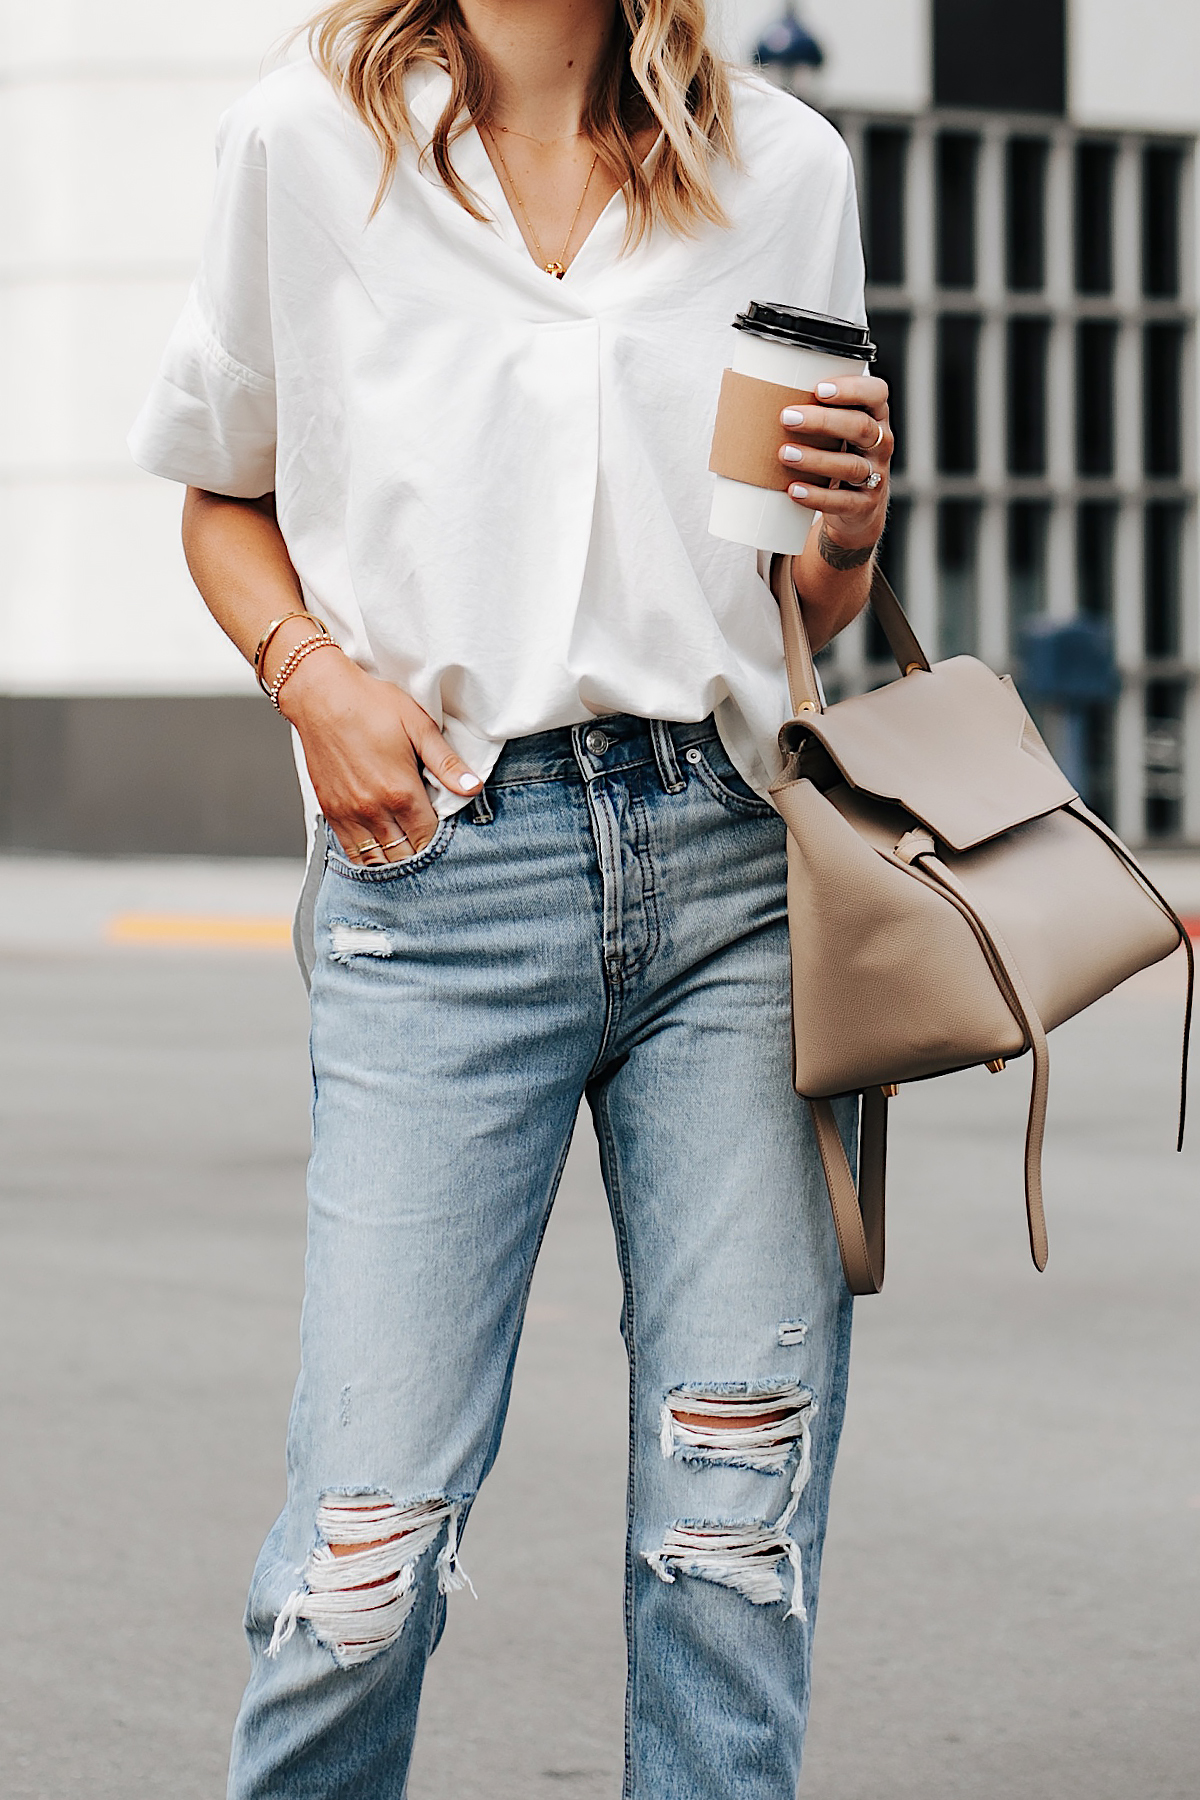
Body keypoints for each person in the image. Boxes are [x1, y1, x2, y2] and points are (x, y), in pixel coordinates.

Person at [130, 2, 893, 1794]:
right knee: (361, 1563)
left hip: (733, 878)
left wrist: (851, 528)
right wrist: (312, 674)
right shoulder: (302, 147)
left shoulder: (784, 169)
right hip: (439, 881)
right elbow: (218, 493)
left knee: (733, 1542)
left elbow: (806, 605)